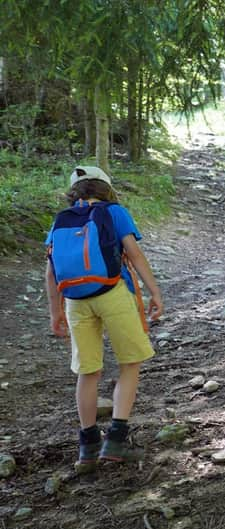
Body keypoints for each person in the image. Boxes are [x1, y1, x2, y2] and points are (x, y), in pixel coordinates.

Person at [45, 166, 163, 473]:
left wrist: (55, 312)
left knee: (88, 371)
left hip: (75, 301)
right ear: (105, 187)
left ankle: (87, 446)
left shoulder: (62, 219)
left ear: (75, 191)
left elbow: (51, 270)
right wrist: (154, 293)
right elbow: (134, 254)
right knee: (130, 362)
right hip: (113, 293)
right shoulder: (114, 211)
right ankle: (116, 440)